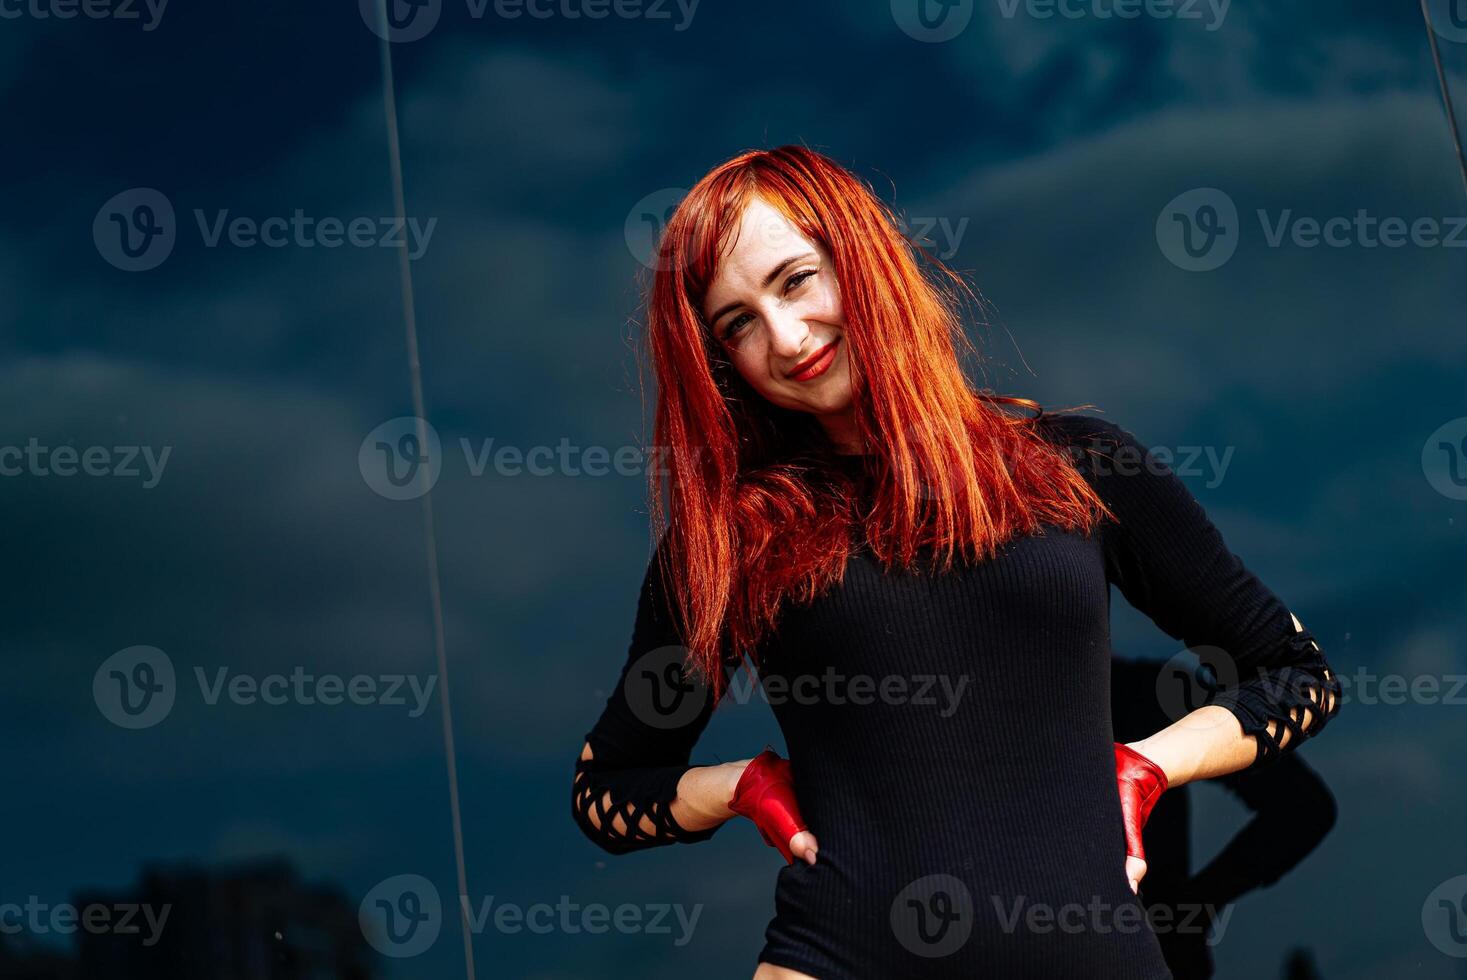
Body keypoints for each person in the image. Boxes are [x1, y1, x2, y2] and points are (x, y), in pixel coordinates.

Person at [570, 145, 1342, 979]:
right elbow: (606, 791)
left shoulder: (1078, 466)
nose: (785, 338)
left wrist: (1150, 765)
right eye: (738, 324)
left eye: (795, 280)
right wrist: (742, 786)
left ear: (860, 259)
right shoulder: (732, 541)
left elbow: (1295, 675)